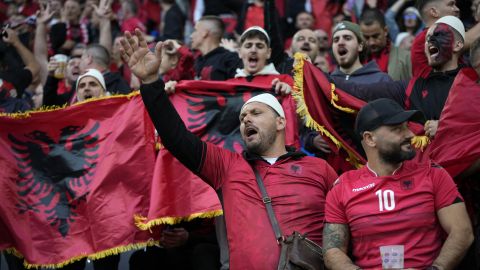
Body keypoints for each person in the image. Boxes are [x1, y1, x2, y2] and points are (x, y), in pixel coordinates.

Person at [120, 28, 338, 269]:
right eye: (243, 117)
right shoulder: (227, 167)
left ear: (280, 122)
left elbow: (343, 228)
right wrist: (151, 83)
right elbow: (177, 138)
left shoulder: (320, 168)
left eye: (255, 113)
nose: (246, 120)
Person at [323, 98, 473, 270]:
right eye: (397, 129)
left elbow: (462, 232)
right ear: (370, 139)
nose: (410, 134)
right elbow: (332, 249)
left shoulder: (433, 174)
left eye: (407, 126)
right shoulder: (343, 186)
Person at [360, 8, 412, 81]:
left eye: (375, 36)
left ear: (385, 31)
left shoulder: (406, 58)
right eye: (366, 37)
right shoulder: (355, 60)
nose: (372, 42)